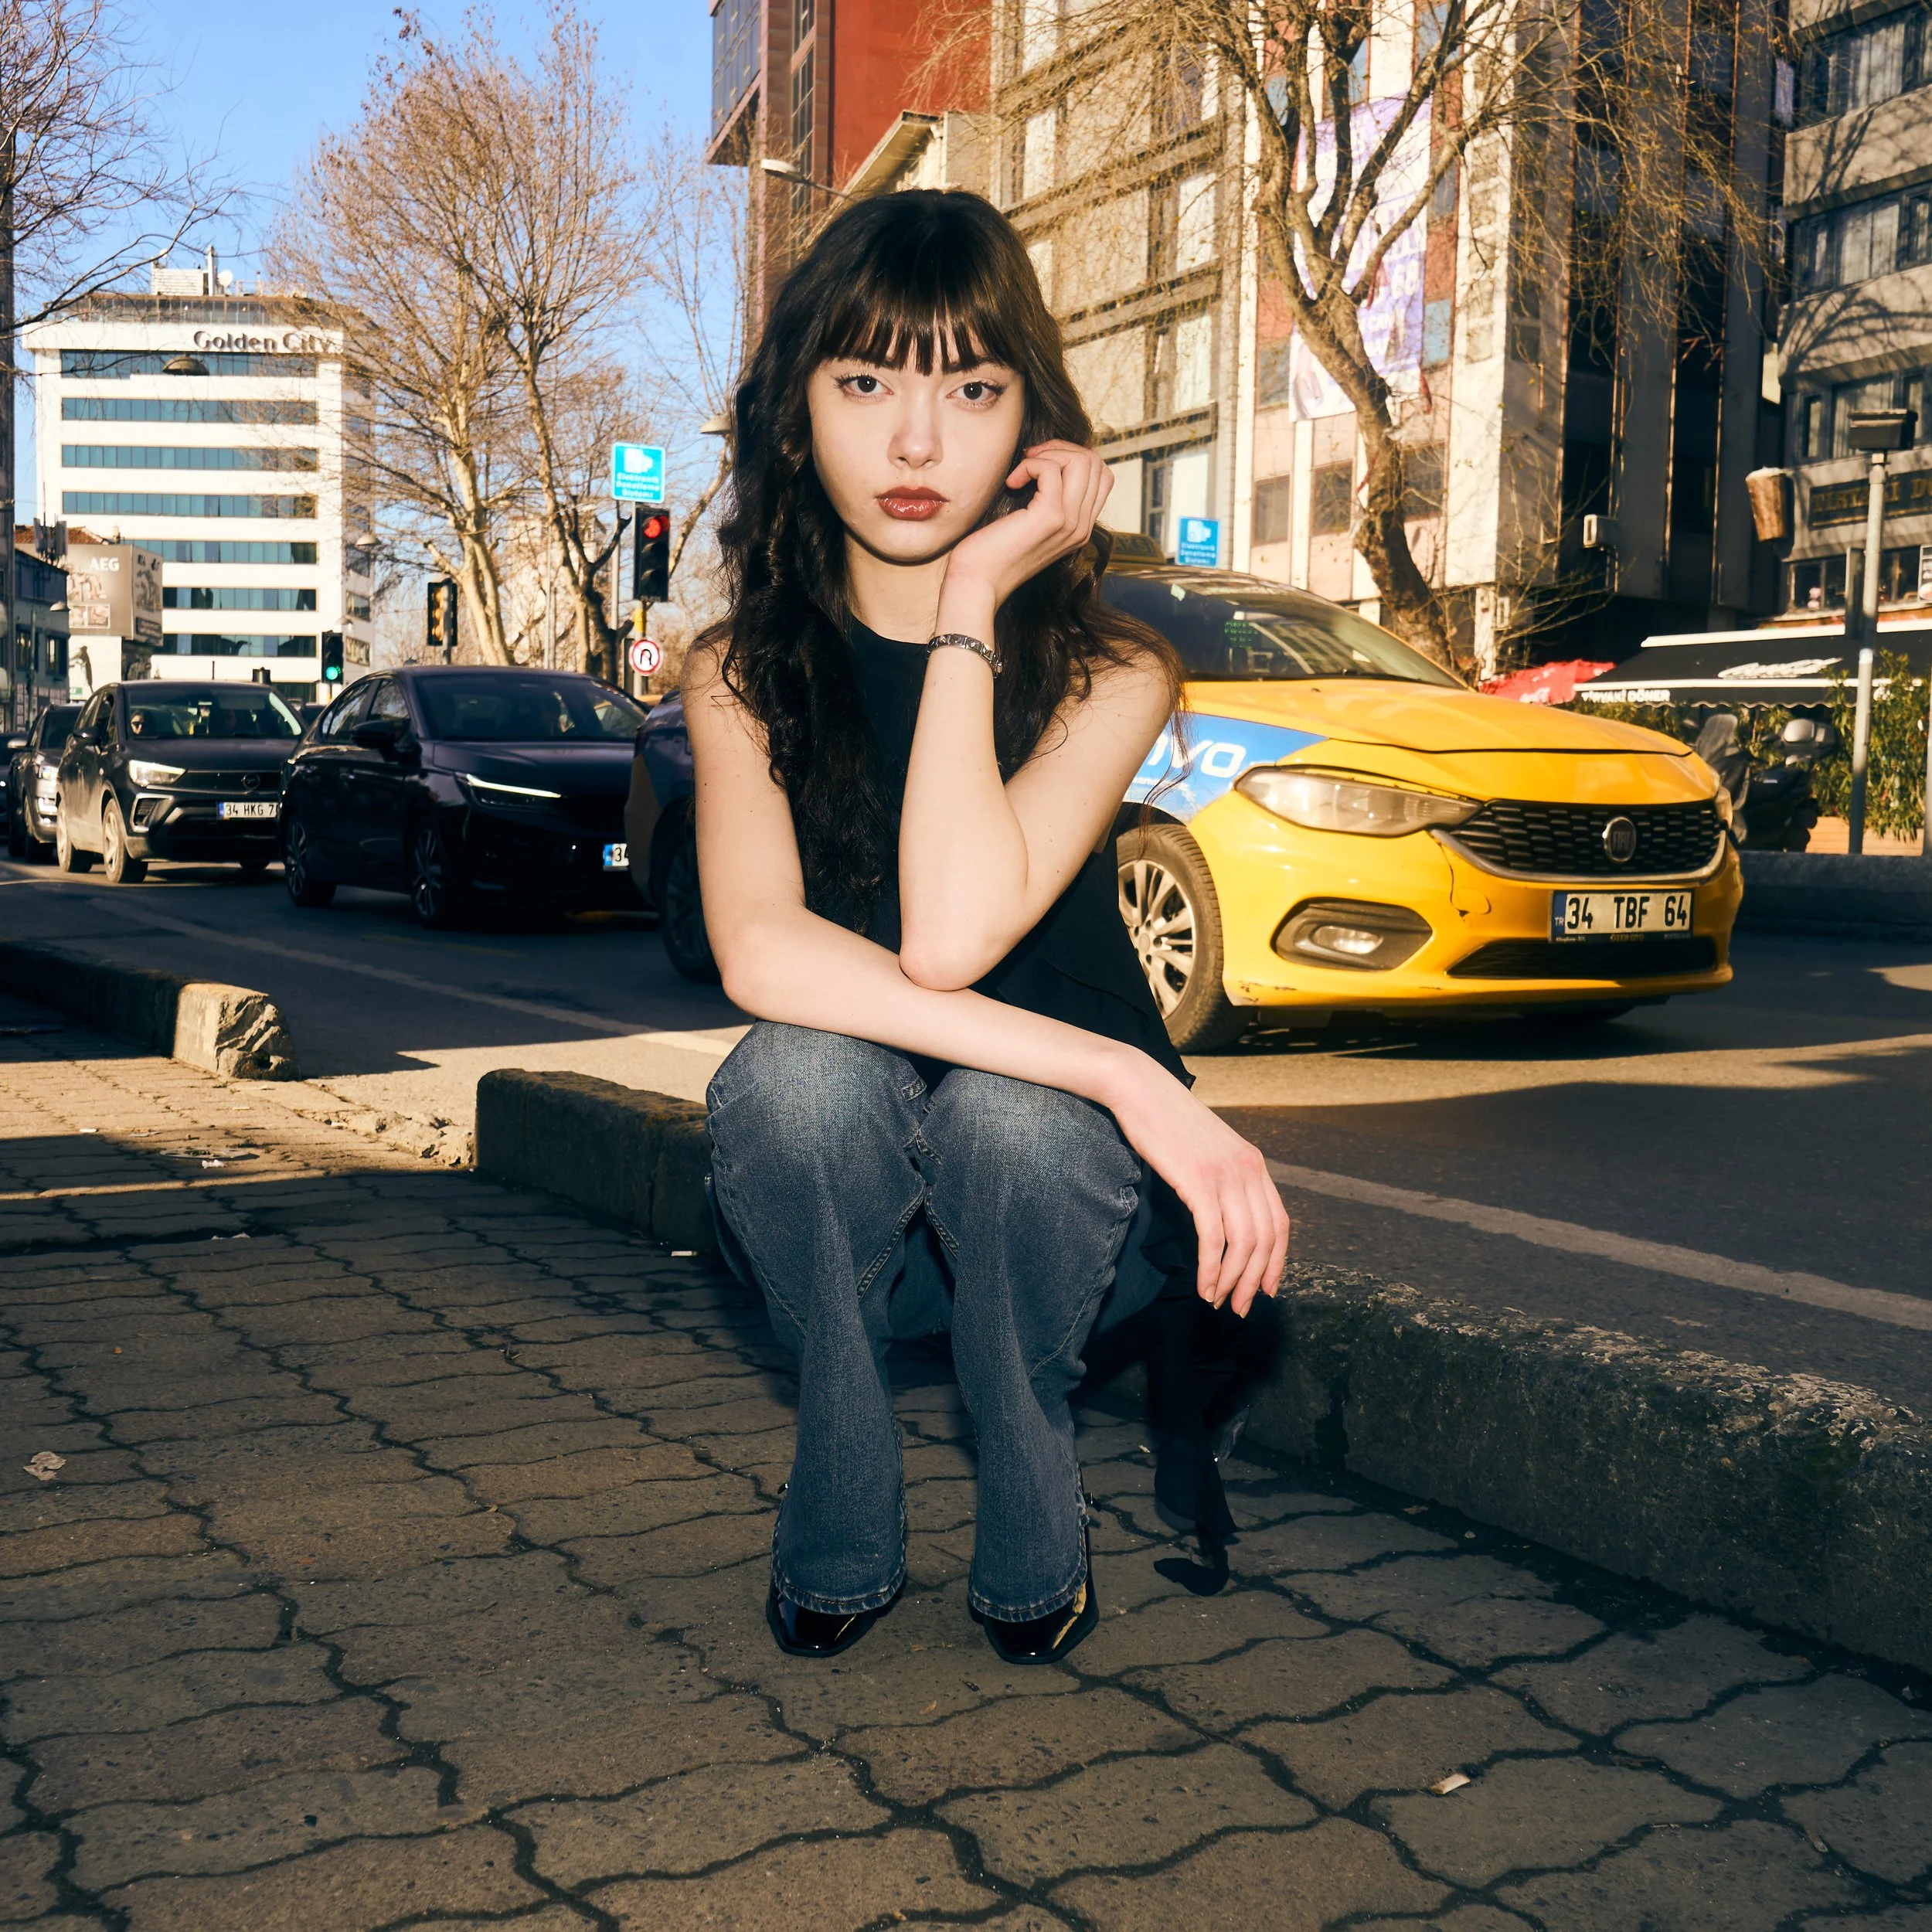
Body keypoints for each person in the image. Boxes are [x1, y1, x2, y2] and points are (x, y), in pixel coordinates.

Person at [685, 190, 1290, 1668]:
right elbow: (765, 954)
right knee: (793, 1078)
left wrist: (968, 599)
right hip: (870, 1197)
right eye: (866, 382)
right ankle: (842, 1481)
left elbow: (948, 929)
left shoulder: (1112, 670)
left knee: (1013, 1122)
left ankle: (1034, 1492)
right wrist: (1137, 1074)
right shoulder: (739, 672)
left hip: (1059, 1199)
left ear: (1033, 426)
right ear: (795, 413)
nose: (914, 442)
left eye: (970, 389)